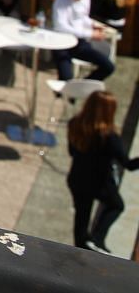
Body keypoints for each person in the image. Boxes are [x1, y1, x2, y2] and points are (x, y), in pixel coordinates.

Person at [66, 90, 136, 252]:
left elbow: (72, 152)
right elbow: (128, 164)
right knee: (116, 205)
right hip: (99, 182)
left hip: (77, 179)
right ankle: (98, 239)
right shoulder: (109, 137)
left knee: (81, 219)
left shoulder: (75, 124)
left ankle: (82, 249)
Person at [52, 0, 118, 82]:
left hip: (80, 43)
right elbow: (60, 26)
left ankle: (81, 86)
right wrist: (90, 34)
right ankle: (66, 91)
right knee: (66, 79)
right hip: (62, 43)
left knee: (109, 67)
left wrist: (92, 25)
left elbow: (82, 18)